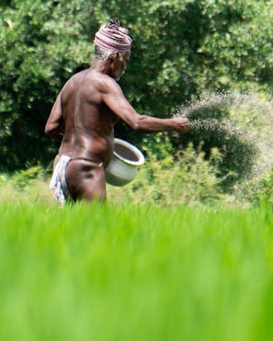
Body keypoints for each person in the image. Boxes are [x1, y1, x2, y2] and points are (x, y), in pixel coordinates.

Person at [44, 19, 189, 204]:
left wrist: (82, 142)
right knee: (99, 230)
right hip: (87, 170)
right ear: (114, 57)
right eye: (125, 59)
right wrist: (174, 124)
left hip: (62, 166)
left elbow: (50, 128)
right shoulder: (105, 83)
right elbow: (136, 122)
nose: (125, 67)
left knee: (70, 230)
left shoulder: (72, 82)